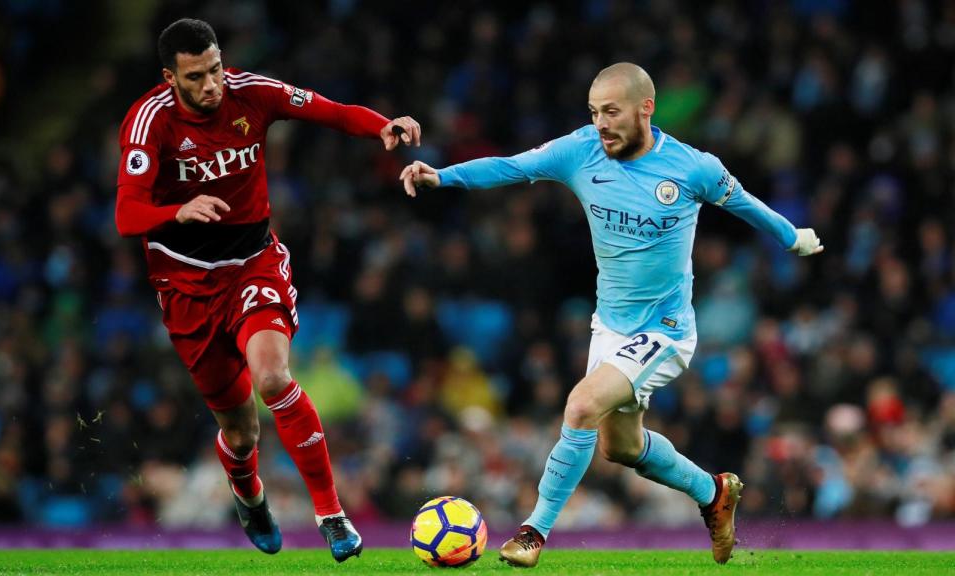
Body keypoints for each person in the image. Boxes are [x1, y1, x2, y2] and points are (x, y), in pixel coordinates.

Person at [400, 62, 822, 566]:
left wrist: (792, 237)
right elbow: (511, 166)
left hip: (664, 330)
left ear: (646, 108)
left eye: (612, 111)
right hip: (611, 326)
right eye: (595, 111)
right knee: (619, 448)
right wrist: (441, 176)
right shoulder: (580, 150)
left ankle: (533, 533)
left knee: (579, 407)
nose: (601, 122)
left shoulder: (692, 168)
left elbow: (747, 205)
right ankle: (713, 493)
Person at [115, 18, 421, 562]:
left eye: (214, 69)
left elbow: (326, 109)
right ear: (170, 77)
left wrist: (380, 126)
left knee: (274, 376)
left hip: (254, 262)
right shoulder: (148, 122)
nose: (211, 85)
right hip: (185, 282)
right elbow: (126, 213)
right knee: (239, 433)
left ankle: (331, 514)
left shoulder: (251, 92)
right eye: (196, 76)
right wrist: (176, 211)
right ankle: (249, 496)